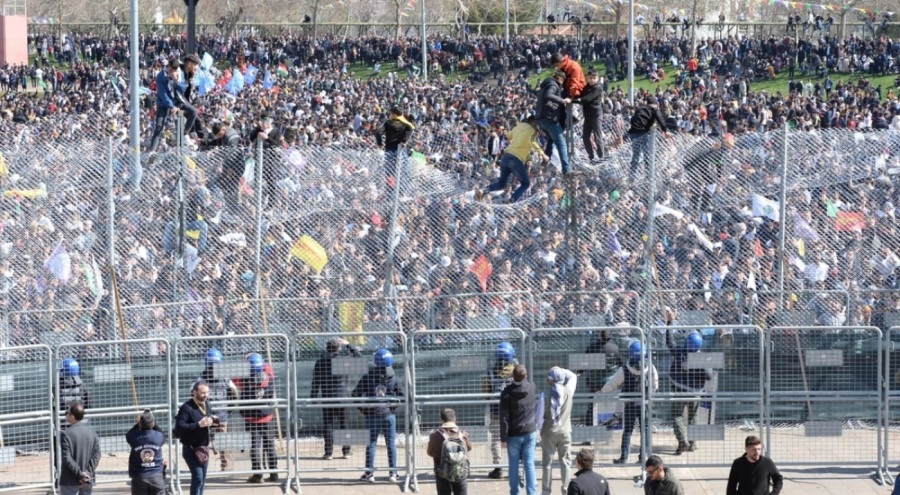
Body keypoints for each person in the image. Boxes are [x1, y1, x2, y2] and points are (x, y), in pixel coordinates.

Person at [664, 308, 714, 455]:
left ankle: (682, 442)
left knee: (677, 415)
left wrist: (670, 323)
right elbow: (709, 376)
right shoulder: (701, 357)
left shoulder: (679, 352)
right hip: (695, 392)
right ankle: (692, 444)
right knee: (692, 416)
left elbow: (670, 342)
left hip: (679, 389)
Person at [601, 341, 658, 464]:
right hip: (645, 404)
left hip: (630, 404)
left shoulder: (625, 369)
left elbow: (611, 384)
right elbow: (655, 384)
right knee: (645, 430)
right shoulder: (651, 367)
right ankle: (644, 457)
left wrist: (603, 390)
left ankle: (624, 457)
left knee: (628, 430)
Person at [353, 348, 404, 483]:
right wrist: (393, 407)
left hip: (372, 414)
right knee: (390, 444)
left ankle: (369, 474)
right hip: (388, 415)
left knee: (371, 444)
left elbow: (355, 394)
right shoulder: (393, 377)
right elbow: (402, 396)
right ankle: (393, 473)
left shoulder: (368, 376)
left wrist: (362, 408)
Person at [310, 338, 361, 460]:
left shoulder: (320, 362)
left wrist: (313, 396)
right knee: (344, 424)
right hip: (342, 397)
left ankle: (328, 453)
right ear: (339, 348)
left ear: (327, 349)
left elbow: (316, 381)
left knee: (328, 425)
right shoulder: (343, 361)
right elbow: (359, 357)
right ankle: (346, 451)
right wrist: (349, 345)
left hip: (327, 398)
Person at [478, 116, 548, 203]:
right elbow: (533, 142)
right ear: (532, 122)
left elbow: (508, 136)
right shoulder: (531, 130)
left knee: (501, 184)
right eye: (536, 123)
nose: (537, 126)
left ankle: (484, 190)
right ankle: (511, 201)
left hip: (505, 157)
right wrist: (543, 155)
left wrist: (506, 132)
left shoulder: (517, 127)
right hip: (515, 160)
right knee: (526, 184)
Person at [234, 353, 278, 483]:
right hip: (266, 416)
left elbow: (234, 380)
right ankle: (274, 473)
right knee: (269, 445)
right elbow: (267, 368)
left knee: (254, 446)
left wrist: (244, 362)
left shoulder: (243, 379)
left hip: (250, 417)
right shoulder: (268, 376)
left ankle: (257, 474)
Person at [192, 348, 239, 471]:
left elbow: (191, 392)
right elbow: (235, 393)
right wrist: (230, 409)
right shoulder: (224, 377)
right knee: (222, 440)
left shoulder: (200, 378)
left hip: (206, 415)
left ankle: (203, 465)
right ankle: (225, 465)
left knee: (203, 442)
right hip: (220, 415)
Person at [175, 381, 219, 495]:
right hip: (190, 448)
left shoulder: (207, 404)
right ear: (194, 392)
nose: (206, 395)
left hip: (203, 448)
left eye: (207, 393)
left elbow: (211, 416)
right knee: (198, 477)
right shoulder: (187, 407)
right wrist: (198, 424)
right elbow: (179, 426)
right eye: (203, 393)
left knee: (203, 479)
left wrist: (213, 420)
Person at [148, 55, 199, 152]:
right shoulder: (161, 76)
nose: (173, 72)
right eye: (171, 70)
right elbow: (163, 94)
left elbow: (184, 88)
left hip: (178, 100)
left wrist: (176, 81)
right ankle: (152, 152)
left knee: (193, 111)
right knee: (159, 127)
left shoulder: (181, 73)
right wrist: (171, 106)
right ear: (169, 68)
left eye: (175, 70)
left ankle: (184, 134)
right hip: (164, 103)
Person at [500, 364, 538, 495]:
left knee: (513, 466)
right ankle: (531, 492)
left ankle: (515, 492)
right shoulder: (532, 387)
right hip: (530, 431)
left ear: (512, 376)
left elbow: (504, 417)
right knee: (529, 465)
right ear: (525, 376)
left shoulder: (506, 393)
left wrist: (503, 438)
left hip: (513, 434)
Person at [483, 342, 519, 479]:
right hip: (514, 412)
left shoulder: (491, 372)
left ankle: (498, 468)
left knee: (496, 440)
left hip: (496, 411)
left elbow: (486, 393)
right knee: (514, 439)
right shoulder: (517, 371)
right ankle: (515, 467)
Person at [541, 367, 578, 495]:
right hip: (565, 431)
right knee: (566, 462)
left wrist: (539, 430)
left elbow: (539, 417)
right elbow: (573, 376)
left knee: (547, 463)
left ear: (550, 380)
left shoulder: (544, 395)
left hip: (548, 432)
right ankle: (566, 490)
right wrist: (560, 370)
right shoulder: (569, 390)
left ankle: (546, 491)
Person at [426, 408, 473, 495]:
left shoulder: (435, 435)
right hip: (459, 470)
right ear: (455, 419)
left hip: (441, 471)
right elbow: (469, 448)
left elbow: (429, 453)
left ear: (441, 420)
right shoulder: (462, 434)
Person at [535, 70, 572, 175]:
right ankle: (567, 169)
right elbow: (548, 95)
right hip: (549, 118)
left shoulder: (545, 85)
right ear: (560, 79)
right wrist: (563, 101)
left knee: (552, 139)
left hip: (540, 120)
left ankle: (546, 158)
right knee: (562, 144)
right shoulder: (553, 84)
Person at [59, 402, 101, 495]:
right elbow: (97, 454)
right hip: (87, 479)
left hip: (70, 480)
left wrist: (80, 474)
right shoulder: (92, 432)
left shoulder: (66, 434)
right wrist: (88, 472)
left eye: (67, 413)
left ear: (72, 417)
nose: (66, 414)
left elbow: (67, 457)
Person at [125, 410, 167, 495]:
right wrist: (154, 424)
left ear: (140, 424)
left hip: (139, 476)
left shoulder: (134, 437)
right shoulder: (158, 436)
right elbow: (162, 434)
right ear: (153, 423)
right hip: (156, 476)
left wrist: (138, 424)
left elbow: (128, 435)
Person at [626, 98, 670, 178]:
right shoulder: (654, 109)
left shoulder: (640, 108)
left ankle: (632, 176)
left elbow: (633, 119)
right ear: (655, 104)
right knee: (647, 155)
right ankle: (648, 175)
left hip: (633, 133)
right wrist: (665, 130)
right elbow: (660, 119)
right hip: (643, 133)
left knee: (636, 155)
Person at [375, 107, 415, 190]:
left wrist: (380, 144)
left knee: (389, 171)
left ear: (394, 114)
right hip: (400, 150)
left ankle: (389, 191)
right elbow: (411, 129)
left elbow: (378, 133)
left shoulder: (388, 123)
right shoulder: (405, 123)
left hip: (390, 150)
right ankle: (402, 192)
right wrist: (404, 140)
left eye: (390, 113)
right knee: (403, 172)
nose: (389, 115)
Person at [571, 69, 605, 162]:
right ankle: (591, 156)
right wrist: (572, 98)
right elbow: (581, 96)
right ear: (587, 78)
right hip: (587, 116)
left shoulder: (598, 88)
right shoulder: (586, 87)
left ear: (597, 78)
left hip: (596, 115)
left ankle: (601, 156)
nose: (592, 80)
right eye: (590, 78)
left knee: (597, 137)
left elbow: (587, 99)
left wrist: (574, 101)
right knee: (585, 137)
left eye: (594, 78)